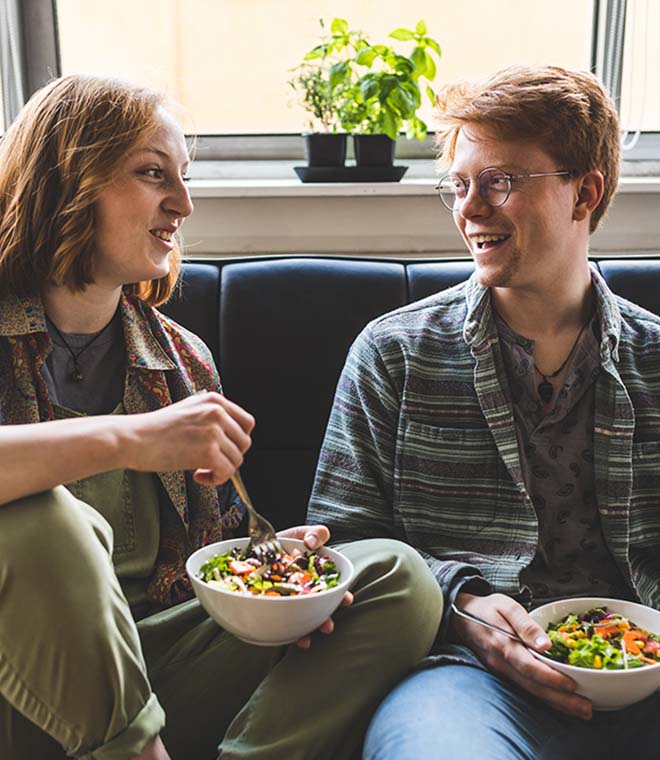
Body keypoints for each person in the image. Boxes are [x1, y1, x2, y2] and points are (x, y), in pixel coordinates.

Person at [0, 75, 443, 760]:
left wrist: (268, 577)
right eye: (153, 175)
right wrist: (128, 437)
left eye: (184, 177)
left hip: (157, 670)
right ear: (68, 179)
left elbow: (214, 555)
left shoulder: (180, 360)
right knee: (43, 522)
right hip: (21, 686)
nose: (183, 204)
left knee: (396, 578)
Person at [307, 64, 660, 758]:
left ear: (583, 191)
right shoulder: (394, 355)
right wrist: (464, 609)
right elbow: (343, 544)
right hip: (462, 678)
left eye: (500, 181)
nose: (471, 209)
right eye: (461, 186)